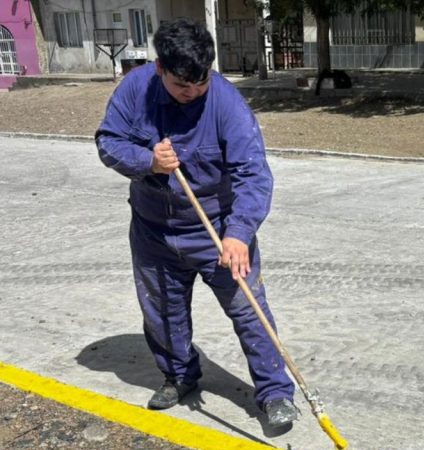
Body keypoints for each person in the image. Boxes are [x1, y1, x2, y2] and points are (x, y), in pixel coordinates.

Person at [95, 18, 298, 426]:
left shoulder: (225, 102)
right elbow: (108, 142)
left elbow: (253, 174)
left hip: (217, 230)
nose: (192, 94)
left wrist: (239, 234)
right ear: (159, 69)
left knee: (248, 308)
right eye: (181, 87)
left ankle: (275, 393)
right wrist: (147, 161)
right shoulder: (135, 90)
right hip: (154, 228)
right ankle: (179, 375)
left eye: (200, 84)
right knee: (163, 310)